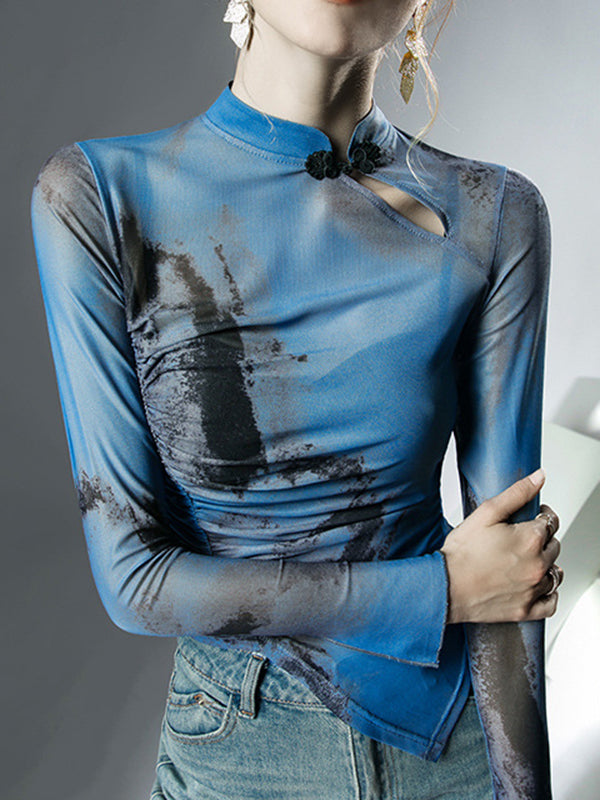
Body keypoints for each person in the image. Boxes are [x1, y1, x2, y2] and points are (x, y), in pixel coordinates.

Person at [29, 1, 564, 798]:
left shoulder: (495, 211)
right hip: (242, 748)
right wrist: (442, 590)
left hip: (455, 743)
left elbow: (510, 572)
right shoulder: (98, 196)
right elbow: (135, 581)